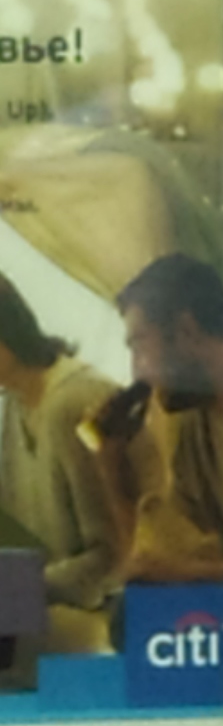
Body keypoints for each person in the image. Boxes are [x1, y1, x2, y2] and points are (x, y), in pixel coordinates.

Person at [94, 253, 223, 586]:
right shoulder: (195, 427)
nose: (137, 372)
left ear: (187, 331)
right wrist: (112, 468)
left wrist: (183, 573)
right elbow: (148, 564)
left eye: (140, 346)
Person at [0, 274, 120, 645]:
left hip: (100, 622)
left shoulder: (79, 402)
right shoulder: (12, 407)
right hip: (34, 613)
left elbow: (111, 557)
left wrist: (19, 587)